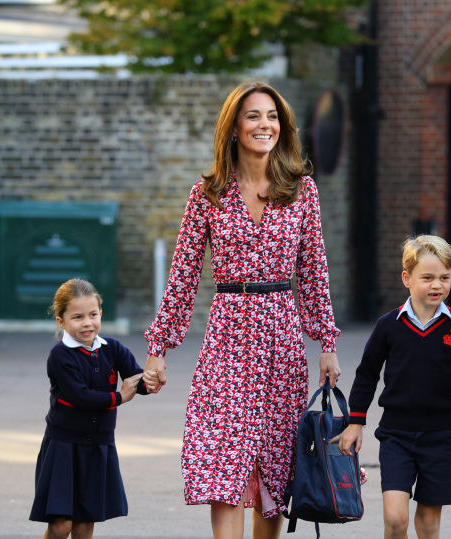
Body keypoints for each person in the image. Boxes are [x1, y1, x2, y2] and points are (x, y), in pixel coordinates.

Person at [140, 82, 341, 539]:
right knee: (221, 461)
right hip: (227, 336)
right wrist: (159, 348)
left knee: (273, 467)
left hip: (280, 338)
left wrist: (326, 344)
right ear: (233, 127)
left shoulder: (301, 191)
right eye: (253, 116)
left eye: (271, 116)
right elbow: (183, 277)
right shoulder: (207, 193)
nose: (264, 124)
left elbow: (314, 273)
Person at [335, 235, 451, 539]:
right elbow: (367, 375)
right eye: (427, 277)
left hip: (440, 437)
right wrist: (355, 423)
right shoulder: (388, 326)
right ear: (407, 278)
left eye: (444, 277)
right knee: (395, 519)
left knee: (428, 525)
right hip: (396, 436)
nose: (437, 285)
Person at [30, 278, 148, 538]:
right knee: (61, 525)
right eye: (77, 317)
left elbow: (135, 377)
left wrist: (150, 381)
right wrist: (119, 397)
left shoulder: (112, 348)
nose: (87, 323)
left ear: (100, 314)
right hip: (63, 446)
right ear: (61, 321)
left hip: (98, 445)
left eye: (93, 315)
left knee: (85, 523)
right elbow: (81, 397)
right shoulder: (60, 356)